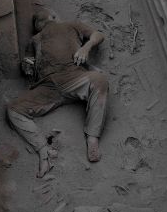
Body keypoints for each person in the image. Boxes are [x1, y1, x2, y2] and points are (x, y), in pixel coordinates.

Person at [7, 9, 109, 177]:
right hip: (47, 88)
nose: (41, 25)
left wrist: (86, 48)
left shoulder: (71, 26)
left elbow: (98, 35)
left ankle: (92, 136)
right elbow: (29, 66)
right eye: (37, 23)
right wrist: (28, 66)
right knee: (13, 109)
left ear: (54, 17)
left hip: (73, 77)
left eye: (40, 20)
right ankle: (43, 149)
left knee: (99, 80)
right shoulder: (34, 41)